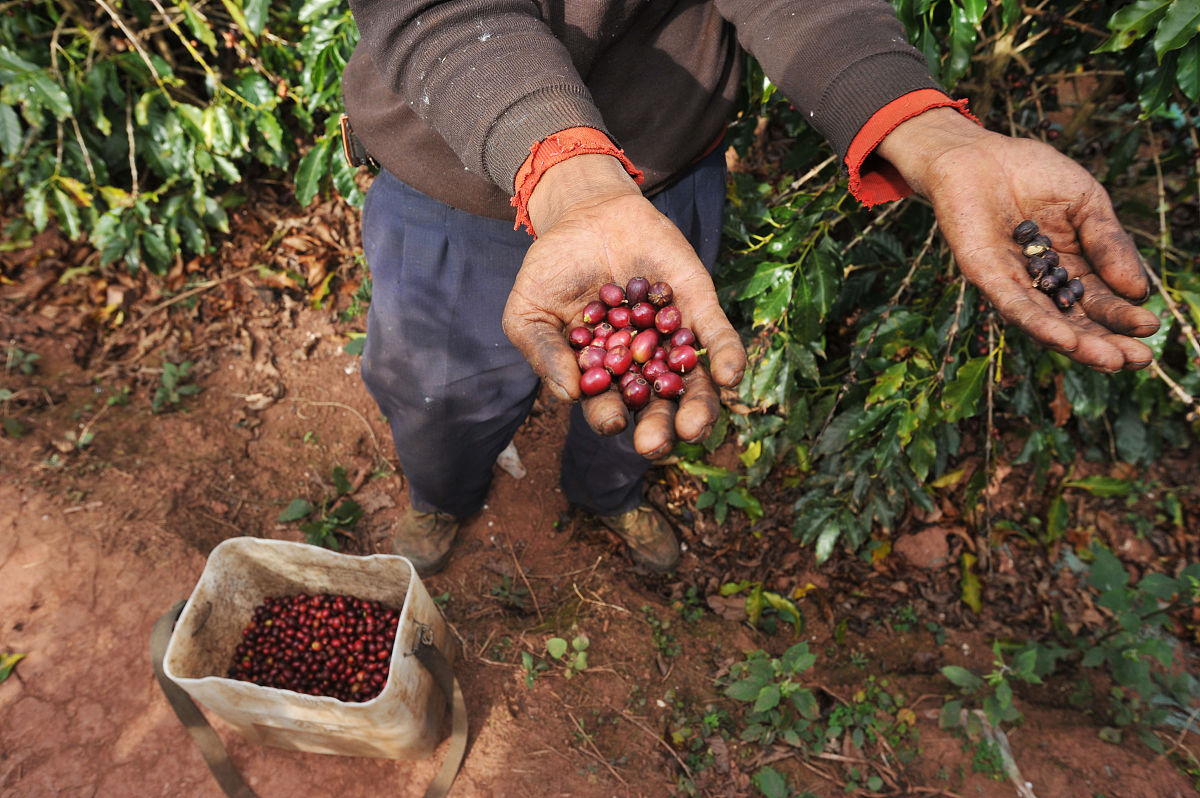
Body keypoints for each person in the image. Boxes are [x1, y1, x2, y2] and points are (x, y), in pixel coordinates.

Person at [340, 1, 1160, 576]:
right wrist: (574, 183)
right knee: (438, 393)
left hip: (663, 168)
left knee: (640, 395)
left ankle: (607, 493)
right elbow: (435, 9)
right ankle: (441, 495)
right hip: (452, 176)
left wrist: (930, 131)